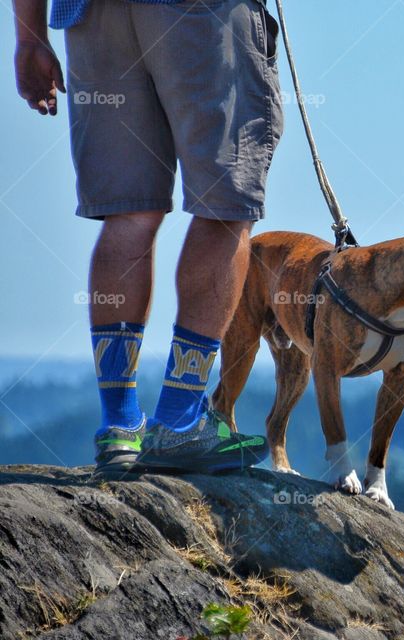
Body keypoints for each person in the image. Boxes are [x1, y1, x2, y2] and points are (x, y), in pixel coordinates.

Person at [12, 0, 284, 474]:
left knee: (128, 214)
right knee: (225, 209)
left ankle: (119, 426)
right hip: (201, 14)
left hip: (93, 15)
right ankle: (178, 421)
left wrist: (29, 36)